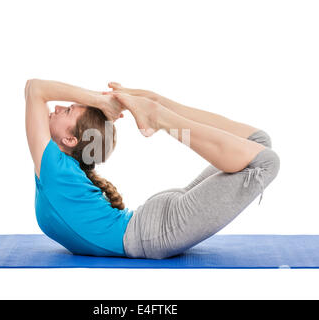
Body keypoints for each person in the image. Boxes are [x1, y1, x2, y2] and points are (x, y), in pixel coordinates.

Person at [25, 79, 280, 259]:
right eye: (68, 108)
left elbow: (35, 89)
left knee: (263, 156)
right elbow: (35, 89)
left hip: (155, 229)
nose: (56, 107)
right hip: (155, 227)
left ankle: (159, 113)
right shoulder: (56, 168)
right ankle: (158, 108)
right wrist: (100, 100)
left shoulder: (56, 169)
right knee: (261, 152)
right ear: (70, 141)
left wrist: (99, 102)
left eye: (66, 109)